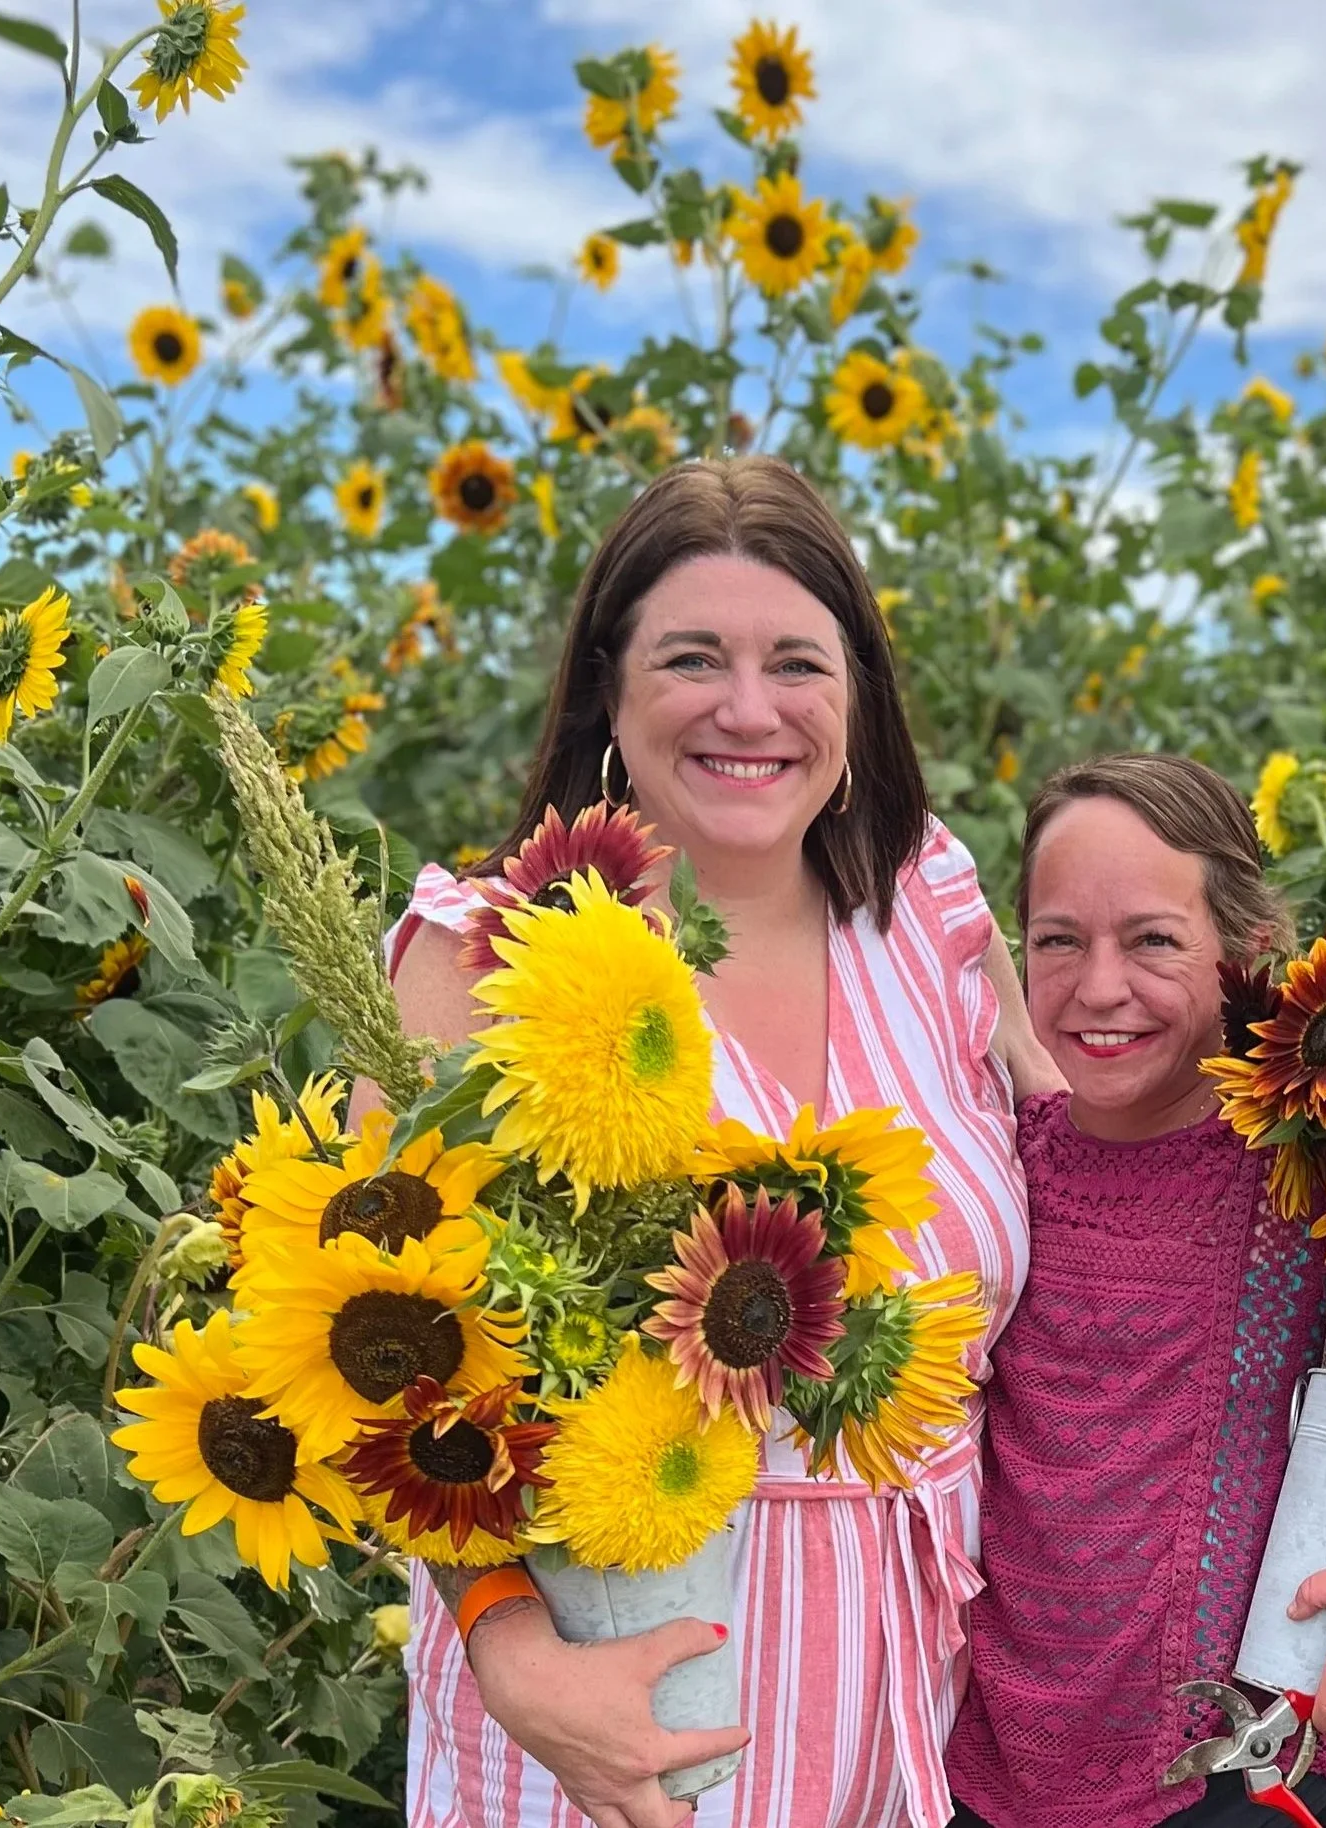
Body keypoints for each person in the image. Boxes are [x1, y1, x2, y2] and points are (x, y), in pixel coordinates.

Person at [376, 456, 1051, 1828]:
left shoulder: (927, 906)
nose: (752, 709)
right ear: (609, 696)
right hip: (611, 1716)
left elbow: (1107, 1176)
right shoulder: (486, 958)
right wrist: (510, 1654)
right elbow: (374, 1353)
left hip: (908, 1697)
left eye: (797, 662)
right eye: (695, 659)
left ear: (855, 699)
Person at [944, 755, 1326, 1828]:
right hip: (987, 1762)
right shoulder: (990, 1168)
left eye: (1151, 940)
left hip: (1271, 1768)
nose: (1097, 987)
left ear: (1245, 952)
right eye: (1058, 940)